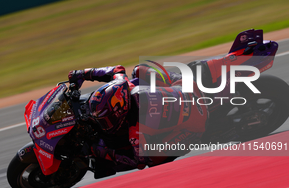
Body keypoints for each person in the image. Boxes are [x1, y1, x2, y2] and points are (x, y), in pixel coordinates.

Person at [68, 63, 209, 178]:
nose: (104, 125)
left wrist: (100, 151)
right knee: (138, 70)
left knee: (153, 158)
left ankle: (193, 135)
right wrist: (82, 74)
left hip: (195, 124)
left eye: (107, 120)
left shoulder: (135, 132)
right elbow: (117, 69)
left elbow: (139, 162)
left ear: (120, 113)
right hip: (185, 85)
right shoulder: (124, 84)